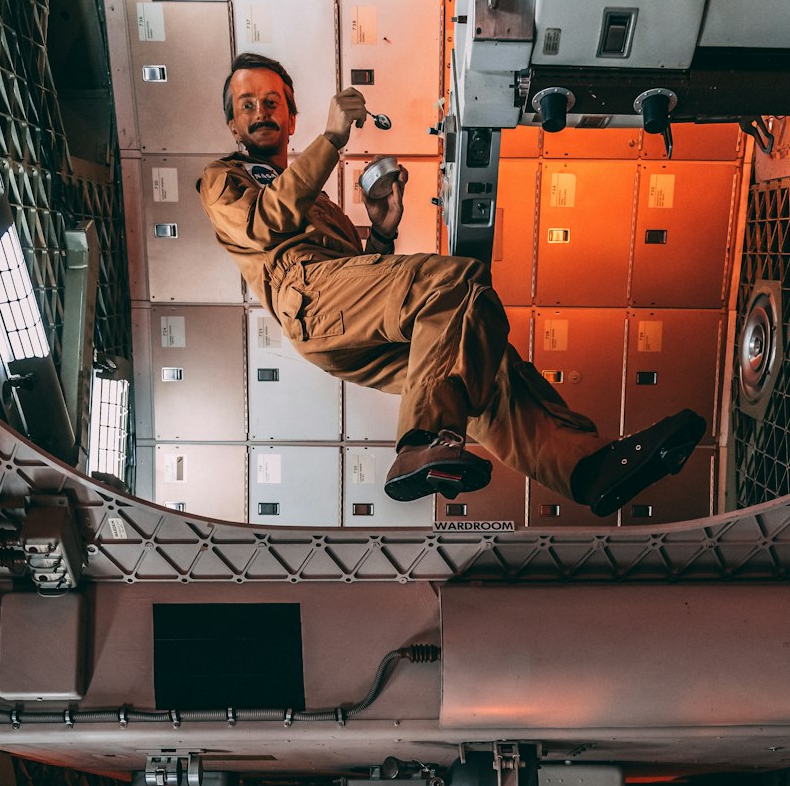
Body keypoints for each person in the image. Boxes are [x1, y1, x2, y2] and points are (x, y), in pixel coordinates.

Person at [199, 53, 706, 514]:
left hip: (338, 323)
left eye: (271, 101)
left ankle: (586, 468)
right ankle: (420, 441)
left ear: (291, 117)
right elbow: (263, 224)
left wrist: (379, 230)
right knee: (457, 282)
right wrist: (331, 139)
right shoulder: (223, 179)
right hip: (308, 298)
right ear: (232, 123)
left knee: (484, 357)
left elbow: (360, 281)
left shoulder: (320, 202)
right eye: (247, 105)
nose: (260, 111)